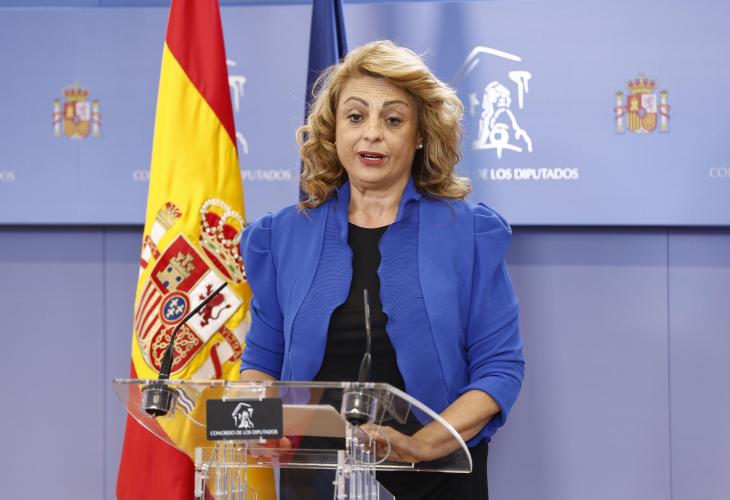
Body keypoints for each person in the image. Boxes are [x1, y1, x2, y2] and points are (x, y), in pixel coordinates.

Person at [240, 40, 524, 499]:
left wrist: (420, 445)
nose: (371, 133)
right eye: (355, 117)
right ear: (334, 131)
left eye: (393, 120)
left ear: (420, 135)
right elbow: (262, 362)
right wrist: (253, 422)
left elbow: (499, 369)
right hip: (315, 476)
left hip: (437, 477)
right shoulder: (282, 236)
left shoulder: (468, 233)